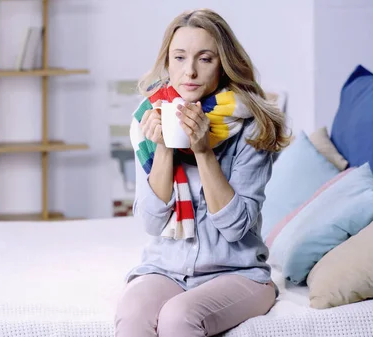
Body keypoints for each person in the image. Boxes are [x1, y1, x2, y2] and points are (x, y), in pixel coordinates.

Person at [114, 8, 291, 337]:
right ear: (167, 62)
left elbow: (237, 227)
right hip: (164, 269)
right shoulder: (146, 121)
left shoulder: (252, 126)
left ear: (223, 64)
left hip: (237, 273)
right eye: (179, 58)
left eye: (205, 59)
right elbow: (152, 223)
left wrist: (203, 149)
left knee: (178, 318)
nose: (189, 71)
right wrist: (166, 145)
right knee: (132, 315)